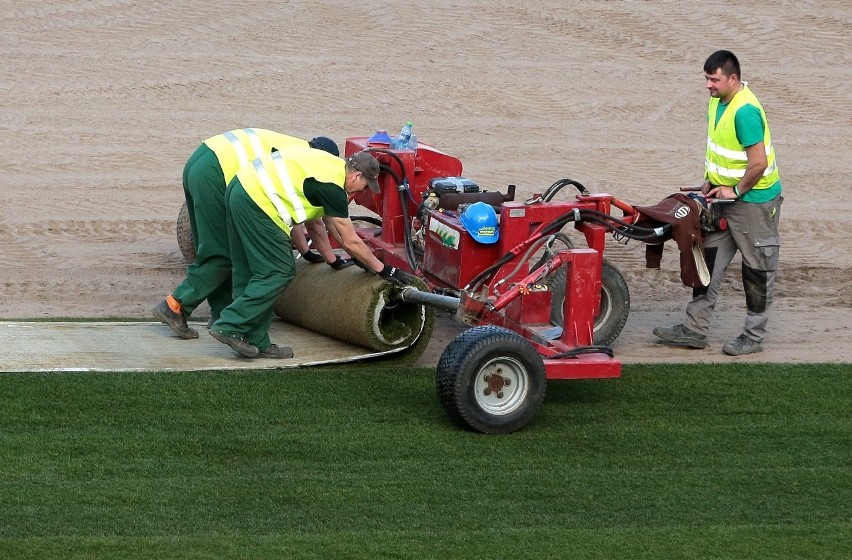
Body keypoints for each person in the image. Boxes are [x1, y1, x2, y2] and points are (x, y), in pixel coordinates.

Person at [208, 147, 408, 359]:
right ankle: (229, 324)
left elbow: (329, 227)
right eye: (365, 186)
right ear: (356, 175)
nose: (362, 192)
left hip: (239, 187)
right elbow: (350, 240)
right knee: (280, 271)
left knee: (249, 270)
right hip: (257, 200)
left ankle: (254, 338)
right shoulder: (333, 188)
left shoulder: (331, 168)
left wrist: (345, 260)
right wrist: (385, 269)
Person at [153, 128, 345, 340]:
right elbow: (312, 221)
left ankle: (221, 312)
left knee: (209, 247)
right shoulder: (307, 165)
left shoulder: (293, 148)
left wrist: (307, 252)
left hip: (202, 158)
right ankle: (175, 305)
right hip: (217, 173)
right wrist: (331, 260)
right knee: (223, 252)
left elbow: (297, 216)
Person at [654, 50, 783, 356]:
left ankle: (753, 337)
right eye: (707, 78)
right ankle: (695, 329)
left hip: (754, 204)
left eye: (714, 79)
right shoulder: (717, 102)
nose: (708, 85)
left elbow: (758, 164)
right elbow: (722, 150)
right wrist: (711, 181)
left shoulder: (746, 111)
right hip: (724, 199)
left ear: (733, 78)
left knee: (758, 269)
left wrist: (735, 191)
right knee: (707, 261)